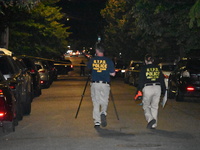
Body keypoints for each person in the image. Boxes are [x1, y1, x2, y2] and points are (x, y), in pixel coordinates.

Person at [87, 43, 116, 128]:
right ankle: (103, 112)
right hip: (105, 84)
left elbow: (88, 68)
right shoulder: (108, 61)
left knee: (96, 102)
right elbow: (113, 74)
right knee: (104, 100)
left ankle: (97, 122)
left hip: (95, 83)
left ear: (96, 51)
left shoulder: (93, 60)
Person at [135, 54, 166, 129]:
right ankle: (154, 124)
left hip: (148, 87)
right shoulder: (157, 68)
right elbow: (162, 79)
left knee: (146, 105)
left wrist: (138, 90)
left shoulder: (144, 68)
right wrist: (164, 90)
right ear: (153, 60)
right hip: (157, 87)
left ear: (145, 61)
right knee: (155, 106)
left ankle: (150, 119)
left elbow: (141, 80)